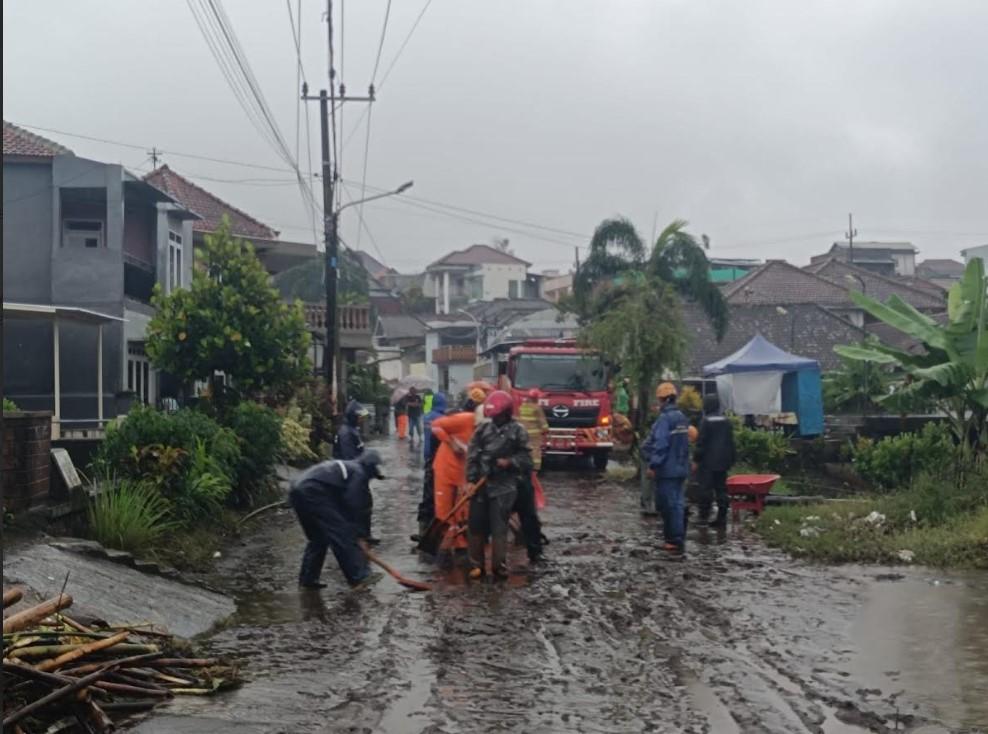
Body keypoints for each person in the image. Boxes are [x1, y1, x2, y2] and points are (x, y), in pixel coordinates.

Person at [288, 450, 386, 589]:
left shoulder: (349, 467)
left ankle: (308, 580)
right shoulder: (359, 472)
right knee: (341, 534)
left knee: (318, 538)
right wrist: (361, 535)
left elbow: (344, 504)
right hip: (313, 491)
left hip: (297, 489)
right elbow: (356, 505)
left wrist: (361, 534)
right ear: (370, 467)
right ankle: (359, 577)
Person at [466, 390, 532, 578]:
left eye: (499, 416)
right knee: (475, 525)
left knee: (499, 528)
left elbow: (527, 460)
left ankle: (498, 567)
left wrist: (509, 462)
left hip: (504, 486)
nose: (496, 419)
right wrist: (470, 481)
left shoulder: (518, 431)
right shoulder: (482, 430)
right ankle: (476, 565)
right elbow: (472, 456)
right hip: (480, 484)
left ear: (507, 413)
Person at [643, 382, 691, 555]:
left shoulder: (665, 419)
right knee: (677, 503)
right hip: (680, 468)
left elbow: (661, 444)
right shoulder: (682, 417)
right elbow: (685, 444)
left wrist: (653, 465)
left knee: (669, 505)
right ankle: (677, 538)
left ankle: (674, 540)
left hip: (667, 469)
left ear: (662, 399)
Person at [430, 406, 478, 553]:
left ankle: (460, 544)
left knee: (463, 509)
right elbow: (435, 425)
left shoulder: (490, 432)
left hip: (464, 472)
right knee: (443, 509)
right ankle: (444, 543)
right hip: (445, 468)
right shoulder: (465, 419)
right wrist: (451, 443)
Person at [515, 389, 549, 562]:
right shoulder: (536, 408)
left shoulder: (522, 407)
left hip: (522, 440)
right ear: (536, 398)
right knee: (534, 461)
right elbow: (544, 427)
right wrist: (545, 431)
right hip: (533, 442)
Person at [693, 394, 736, 528]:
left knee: (705, 489)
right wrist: (731, 459)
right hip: (723, 462)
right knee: (721, 489)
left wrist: (696, 459)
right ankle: (722, 518)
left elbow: (701, 443)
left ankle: (703, 517)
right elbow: (731, 442)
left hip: (708, 462)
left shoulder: (706, 421)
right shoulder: (726, 421)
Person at [415, 391, 448, 537]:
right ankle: (434, 529)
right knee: (439, 493)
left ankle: (423, 528)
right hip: (440, 460)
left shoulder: (427, 416)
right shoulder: (443, 419)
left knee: (427, 493)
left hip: (428, 459)